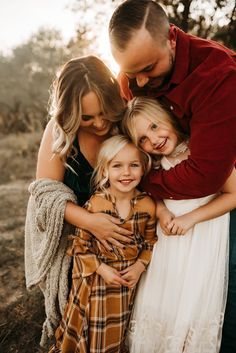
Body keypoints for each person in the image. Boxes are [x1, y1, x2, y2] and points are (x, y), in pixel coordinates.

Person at [109, 1, 236, 352]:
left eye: (148, 68)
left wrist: (143, 182)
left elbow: (208, 174)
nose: (140, 82)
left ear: (172, 41)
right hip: (171, 216)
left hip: (218, 192)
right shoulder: (133, 76)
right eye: (130, 73)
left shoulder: (217, 74)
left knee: (219, 285)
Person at [24, 55, 133, 346]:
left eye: (104, 112)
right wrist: (92, 222)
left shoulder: (125, 120)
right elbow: (46, 194)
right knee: (83, 319)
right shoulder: (58, 131)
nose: (99, 123)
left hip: (127, 237)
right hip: (78, 240)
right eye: (87, 118)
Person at [121, 96, 236, 353]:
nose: (154, 140)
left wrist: (191, 218)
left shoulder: (204, 151)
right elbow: (154, 193)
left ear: (168, 116)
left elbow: (234, 194)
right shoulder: (155, 162)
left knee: (193, 303)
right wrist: (161, 210)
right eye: (143, 139)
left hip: (203, 240)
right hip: (168, 245)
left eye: (154, 126)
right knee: (163, 299)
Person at [48, 134, 157, 353]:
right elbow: (79, 245)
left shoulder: (147, 205)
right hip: (96, 281)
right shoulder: (97, 204)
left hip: (124, 285)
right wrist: (101, 268)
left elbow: (149, 242)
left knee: (113, 330)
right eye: (117, 166)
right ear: (105, 170)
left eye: (134, 165)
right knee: (88, 327)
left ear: (143, 168)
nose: (126, 173)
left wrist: (139, 266)